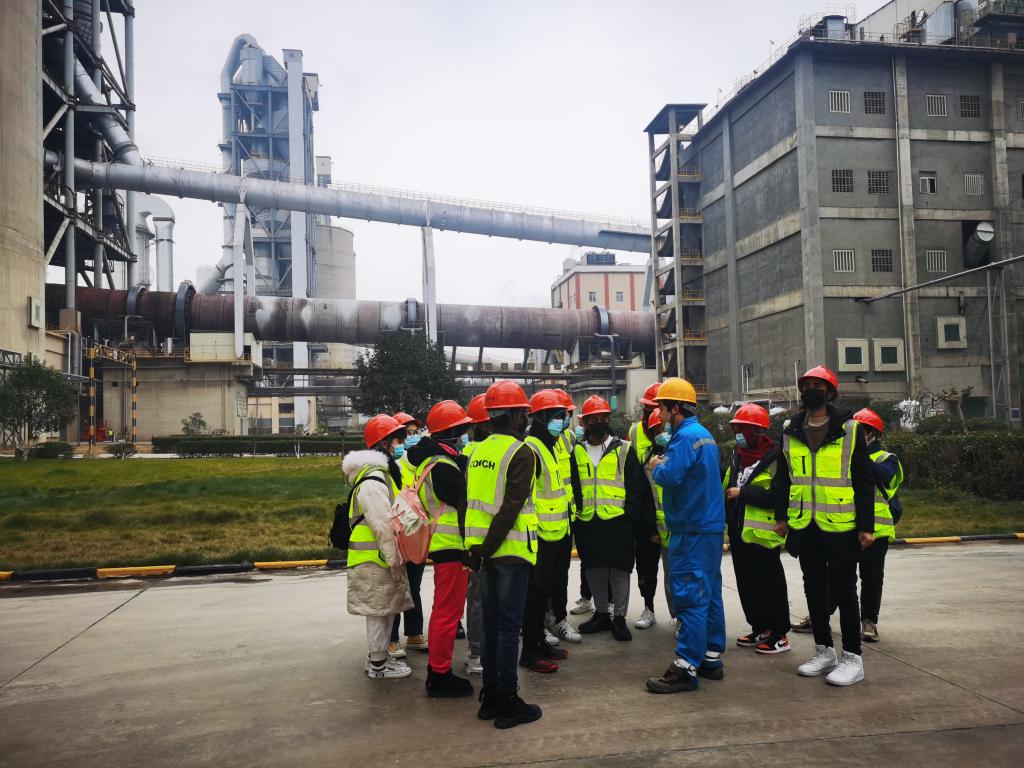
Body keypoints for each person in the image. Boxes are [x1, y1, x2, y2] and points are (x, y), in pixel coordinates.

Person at [774, 366, 876, 687]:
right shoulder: (790, 429)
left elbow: (864, 480)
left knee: (844, 590)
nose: (811, 390)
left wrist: (866, 526)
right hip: (805, 523)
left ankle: (853, 658)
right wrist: (781, 517)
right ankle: (824, 651)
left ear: (830, 393)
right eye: (807, 385)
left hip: (841, 525)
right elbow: (783, 478)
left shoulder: (850, 429)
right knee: (814, 588)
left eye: (818, 386)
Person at [465, 381, 542, 729]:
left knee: (492, 624)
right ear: (512, 416)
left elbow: (470, 502)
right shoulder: (520, 452)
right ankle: (509, 701)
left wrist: (476, 551)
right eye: (523, 413)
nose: (526, 418)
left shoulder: (477, 452)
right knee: (510, 628)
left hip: (482, 553)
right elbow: (511, 508)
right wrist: (488, 549)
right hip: (508, 551)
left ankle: (491, 697)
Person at [646, 378, 726, 694]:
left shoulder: (683, 438)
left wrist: (656, 464)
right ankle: (710, 656)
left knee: (690, 596)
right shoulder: (703, 435)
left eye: (662, 408)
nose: (660, 414)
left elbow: (669, 476)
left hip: (691, 529)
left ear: (675, 408)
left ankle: (685, 665)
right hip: (708, 527)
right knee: (710, 592)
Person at [409, 400, 475, 698]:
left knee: (444, 611)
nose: (463, 437)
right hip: (451, 547)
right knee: (447, 613)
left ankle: (439, 671)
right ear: (449, 434)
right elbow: (464, 500)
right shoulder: (444, 467)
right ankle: (439, 675)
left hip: (444, 545)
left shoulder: (433, 461)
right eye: (460, 431)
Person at [343, 414, 414, 680]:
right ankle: (378, 667)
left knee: (383, 610)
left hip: (376, 557)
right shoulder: (373, 480)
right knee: (378, 612)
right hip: (375, 559)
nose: (401, 444)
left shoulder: (377, 475)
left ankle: (378, 659)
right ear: (384, 443)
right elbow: (383, 525)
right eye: (397, 439)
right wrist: (394, 559)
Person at [723, 404, 790, 655]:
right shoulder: (737, 455)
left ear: (757, 431)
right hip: (739, 533)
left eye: (742, 429)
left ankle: (779, 633)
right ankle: (760, 628)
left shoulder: (775, 457)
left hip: (764, 534)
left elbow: (779, 496)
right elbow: (727, 488)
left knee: (770, 585)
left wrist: (744, 493)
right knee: (747, 585)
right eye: (736, 429)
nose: (738, 434)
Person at [570, 395, 638, 642]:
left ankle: (619, 618)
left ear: (609, 419)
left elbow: (636, 488)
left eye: (603, 417)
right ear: (585, 422)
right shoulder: (577, 451)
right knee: (593, 568)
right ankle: (601, 614)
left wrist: (630, 518)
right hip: (588, 521)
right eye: (594, 418)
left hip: (618, 522)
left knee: (620, 570)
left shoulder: (624, 449)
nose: (599, 421)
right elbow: (573, 485)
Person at [520, 390, 578, 673]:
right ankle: (530, 652)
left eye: (563, 416)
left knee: (544, 593)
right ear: (541, 418)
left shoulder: (550, 445)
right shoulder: (531, 448)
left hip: (557, 531)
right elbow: (527, 497)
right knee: (535, 595)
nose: (562, 422)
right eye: (557, 417)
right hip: (540, 534)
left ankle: (540, 643)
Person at [850, 407, 903, 643]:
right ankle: (820, 616)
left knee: (871, 578)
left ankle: (869, 621)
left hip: (877, 530)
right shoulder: (844, 456)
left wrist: (857, 456)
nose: (857, 435)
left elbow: (882, 475)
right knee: (837, 577)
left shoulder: (887, 459)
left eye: (862, 431)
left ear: (873, 434)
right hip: (845, 525)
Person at [388, 411, 428, 657]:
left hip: (416, 531)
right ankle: (391, 638)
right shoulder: (391, 466)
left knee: (414, 586)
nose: (411, 439)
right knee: (395, 587)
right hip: (396, 531)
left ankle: (414, 632)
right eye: (405, 435)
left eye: (414, 433)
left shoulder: (418, 463)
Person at [629, 382, 663, 630]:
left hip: (672, 513)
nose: (649, 413)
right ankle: (648, 607)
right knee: (646, 566)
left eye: (654, 408)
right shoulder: (634, 432)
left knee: (676, 572)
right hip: (645, 512)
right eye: (647, 408)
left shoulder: (675, 434)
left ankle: (679, 615)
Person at [638, 409, 676, 631]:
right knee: (650, 572)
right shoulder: (647, 459)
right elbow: (643, 496)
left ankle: (680, 617)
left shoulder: (682, 454)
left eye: (663, 428)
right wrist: (650, 529)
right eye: (655, 431)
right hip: (656, 529)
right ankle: (649, 608)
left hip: (679, 528)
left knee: (677, 579)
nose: (661, 433)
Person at [461, 393, 490, 676]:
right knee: (482, 598)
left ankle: (477, 652)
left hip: (476, 538)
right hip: (491, 538)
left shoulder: (466, 455)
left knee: (479, 598)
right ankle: (478, 653)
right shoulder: (477, 455)